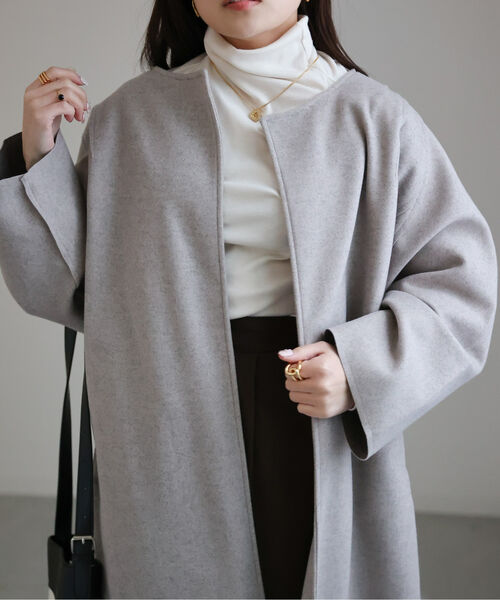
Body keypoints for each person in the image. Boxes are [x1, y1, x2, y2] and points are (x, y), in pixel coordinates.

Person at [0, 1, 497, 598]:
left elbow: (461, 284)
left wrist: (358, 367)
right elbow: (66, 289)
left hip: (317, 410)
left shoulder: (374, 117)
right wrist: (37, 156)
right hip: (164, 417)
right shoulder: (130, 118)